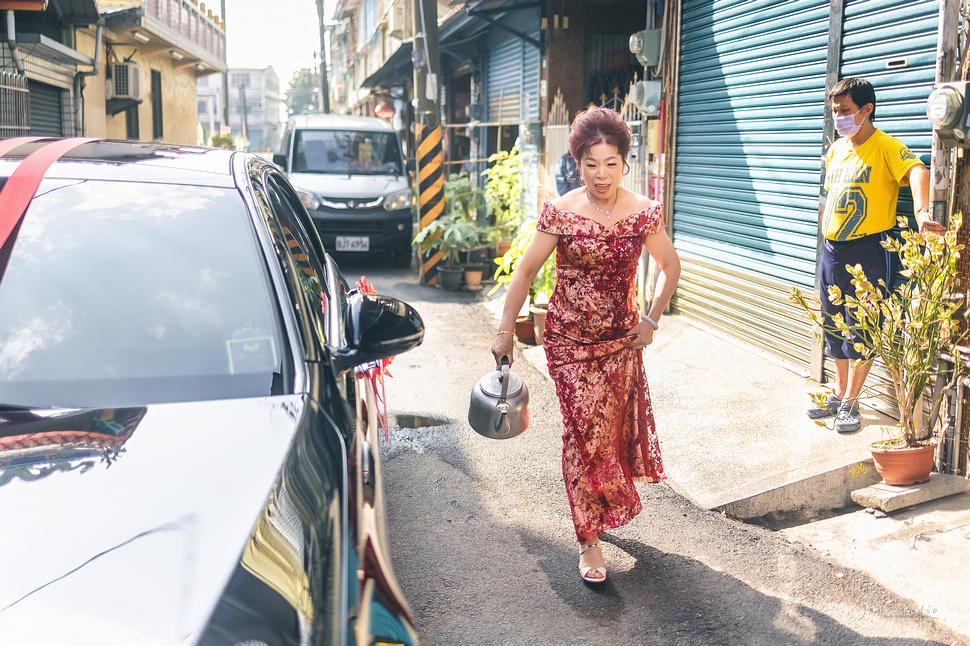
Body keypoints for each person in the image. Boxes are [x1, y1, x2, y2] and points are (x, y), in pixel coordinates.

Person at [490, 107, 680, 584]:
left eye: (611, 163)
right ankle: (588, 538)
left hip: (619, 340)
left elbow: (670, 268)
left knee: (607, 431)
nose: (602, 174)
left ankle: (594, 508)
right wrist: (506, 330)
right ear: (578, 163)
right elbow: (526, 272)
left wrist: (652, 320)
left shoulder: (642, 212)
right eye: (592, 164)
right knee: (584, 432)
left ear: (625, 163)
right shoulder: (561, 211)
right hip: (569, 340)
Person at [810, 77, 945, 432]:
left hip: (868, 249)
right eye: (835, 110)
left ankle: (852, 403)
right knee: (834, 326)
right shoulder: (837, 148)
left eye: (845, 110)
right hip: (830, 250)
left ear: (867, 110)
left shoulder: (885, 146)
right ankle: (839, 395)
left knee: (863, 328)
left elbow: (918, 170)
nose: (838, 117)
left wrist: (921, 212)